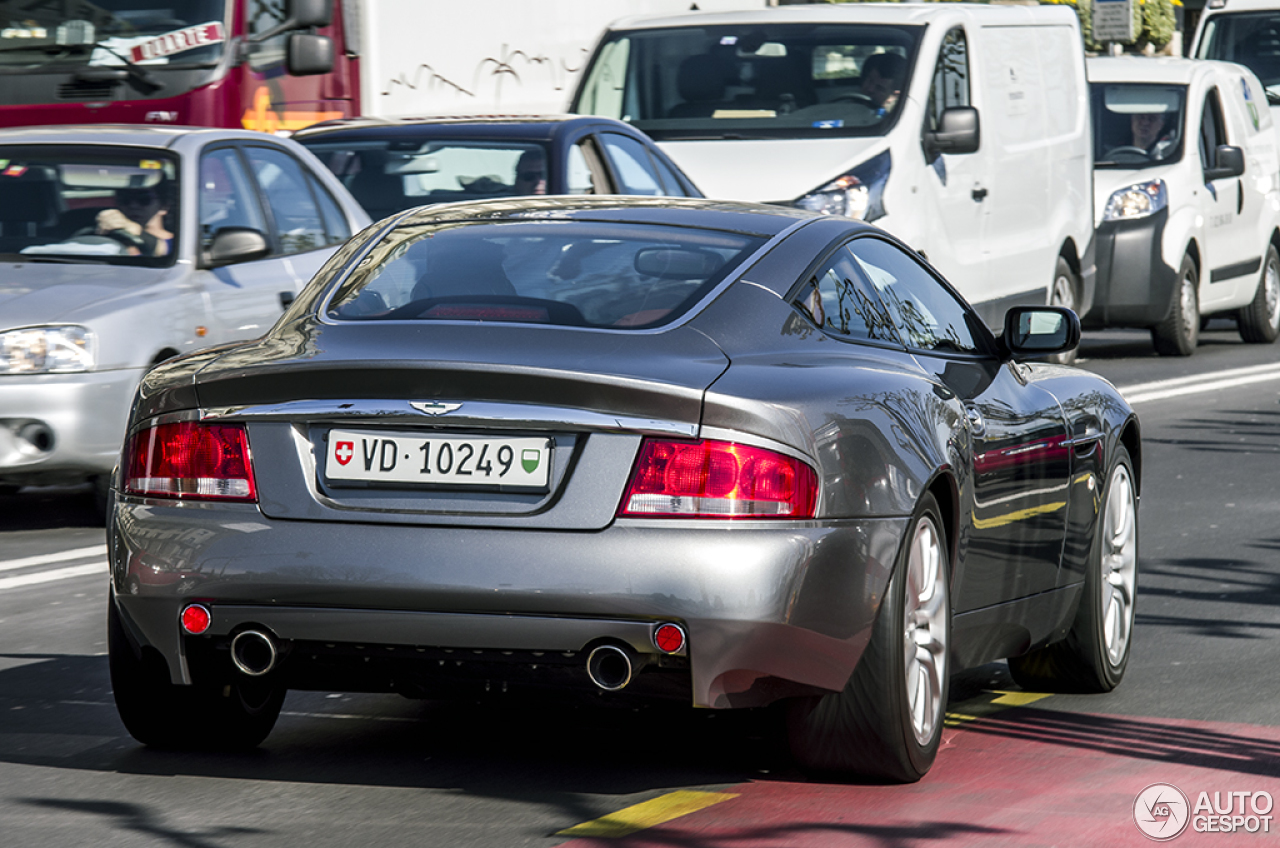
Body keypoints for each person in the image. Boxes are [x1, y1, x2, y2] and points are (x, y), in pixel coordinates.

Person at [95, 183, 173, 256]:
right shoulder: (113, 241)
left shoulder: (180, 243)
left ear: (163, 207)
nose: (133, 206)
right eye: (125, 200)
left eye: (144, 199)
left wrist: (136, 230)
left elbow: (164, 251)